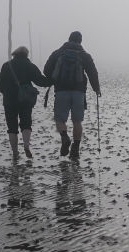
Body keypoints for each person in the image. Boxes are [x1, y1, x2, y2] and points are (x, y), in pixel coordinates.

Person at [43, 31, 101, 159]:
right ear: (80, 41)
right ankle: (75, 149)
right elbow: (93, 73)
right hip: (79, 92)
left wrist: (54, 79)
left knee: (60, 119)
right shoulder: (85, 55)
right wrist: (96, 89)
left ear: (68, 39)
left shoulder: (57, 53)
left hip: (61, 91)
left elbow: (46, 70)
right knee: (77, 121)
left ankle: (64, 137)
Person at [0, 46, 53, 158]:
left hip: (9, 100)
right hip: (25, 99)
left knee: (12, 127)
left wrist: (6, 92)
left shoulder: (7, 65)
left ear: (15, 54)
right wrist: (52, 80)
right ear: (26, 55)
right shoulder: (29, 66)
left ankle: (15, 152)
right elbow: (40, 81)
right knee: (26, 123)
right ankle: (26, 146)